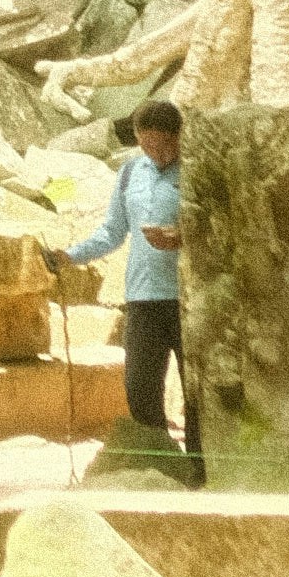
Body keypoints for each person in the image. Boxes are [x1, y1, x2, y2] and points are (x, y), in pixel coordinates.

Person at [68, 102, 190, 451]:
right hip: (143, 297)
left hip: (187, 298)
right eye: (149, 146)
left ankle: (201, 468)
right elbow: (112, 232)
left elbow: (221, 226)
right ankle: (160, 461)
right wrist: (70, 256)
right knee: (139, 388)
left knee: (195, 392)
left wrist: (182, 237)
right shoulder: (129, 172)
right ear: (137, 139)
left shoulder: (195, 168)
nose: (159, 154)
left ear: (180, 135)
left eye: (166, 145)